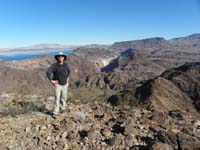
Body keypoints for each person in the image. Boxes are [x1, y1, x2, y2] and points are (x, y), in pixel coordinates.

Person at [46, 52, 70, 118]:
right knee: (57, 98)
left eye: (62, 56)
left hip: (65, 84)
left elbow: (69, 71)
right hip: (58, 85)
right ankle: (55, 112)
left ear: (64, 58)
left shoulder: (66, 65)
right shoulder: (54, 65)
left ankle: (63, 108)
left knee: (64, 98)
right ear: (57, 58)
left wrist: (67, 78)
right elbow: (48, 72)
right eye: (59, 57)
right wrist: (51, 80)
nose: (61, 58)